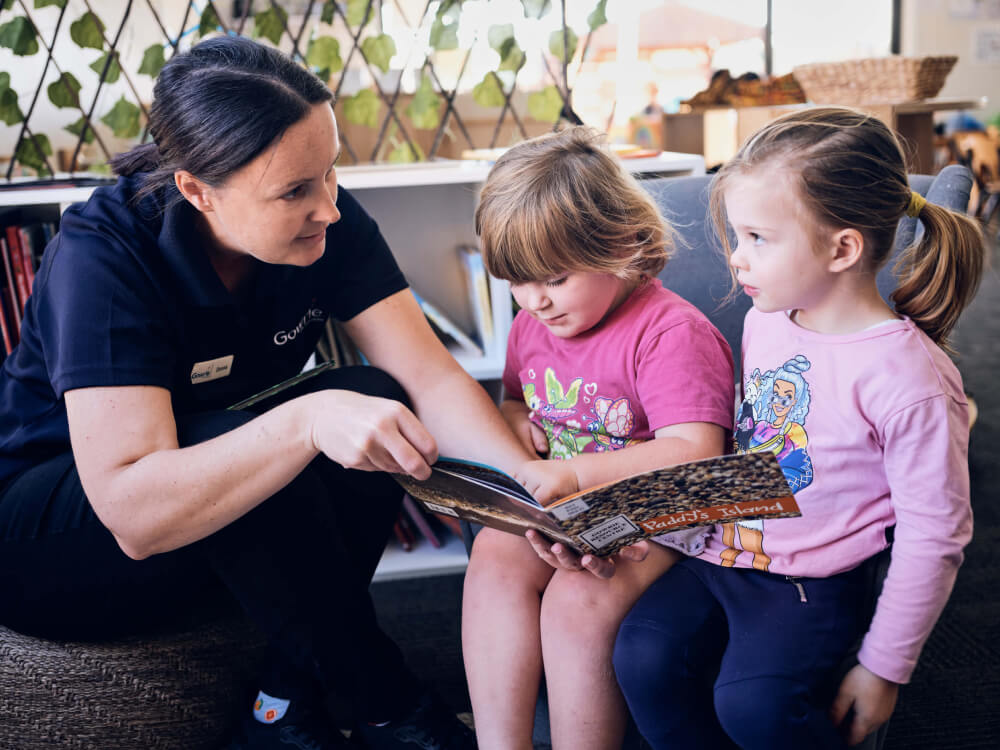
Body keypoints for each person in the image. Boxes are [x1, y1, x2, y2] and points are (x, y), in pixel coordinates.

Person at [0, 36, 538, 750]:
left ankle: (280, 702)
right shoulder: (104, 255)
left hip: (217, 515)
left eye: (330, 172)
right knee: (264, 437)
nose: (330, 208)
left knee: (375, 397)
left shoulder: (325, 219)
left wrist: (530, 489)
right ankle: (389, 702)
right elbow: (134, 516)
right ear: (196, 189)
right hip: (56, 539)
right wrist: (303, 422)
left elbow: (428, 376)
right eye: (294, 191)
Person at [613, 106, 985, 749]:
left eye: (758, 238)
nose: (735, 257)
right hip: (726, 551)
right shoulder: (770, 319)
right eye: (736, 235)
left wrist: (882, 668)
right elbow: (757, 446)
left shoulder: (910, 379)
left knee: (752, 706)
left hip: (813, 581)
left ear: (843, 247)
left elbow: (935, 534)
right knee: (641, 659)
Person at [462, 126, 736, 750]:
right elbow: (513, 399)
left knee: (577, 601)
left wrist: (574, 476)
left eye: (554, 278)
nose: (534, 300)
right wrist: (514, 425)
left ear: (624, 245)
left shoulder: (669, 332)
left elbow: (696, 453)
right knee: (493, 559)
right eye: (516, 281)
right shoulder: (534, 325)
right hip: (569, 506)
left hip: (664, 510)